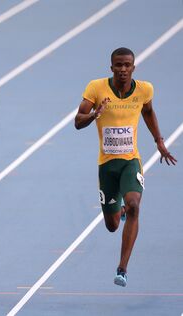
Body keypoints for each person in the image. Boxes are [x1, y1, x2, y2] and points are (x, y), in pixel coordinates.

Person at [75, 47, 176, 287]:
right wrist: (94, 115)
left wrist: (160, 142)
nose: (122, 69)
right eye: (118, 65)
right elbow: (78, 121)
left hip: (131, 162)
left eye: (127, 65)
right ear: (111, 67)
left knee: (134, 206)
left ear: (133, 67)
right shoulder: (96, 88)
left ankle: (122, 268)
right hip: (107, 166)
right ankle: (116, 211)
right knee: (111, 226)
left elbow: (149, 112)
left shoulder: (144, 89)